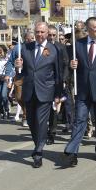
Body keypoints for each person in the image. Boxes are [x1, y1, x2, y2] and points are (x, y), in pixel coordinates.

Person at [62, 17, 96, 167]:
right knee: (79, 121)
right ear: (88, 28)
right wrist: (72, 65)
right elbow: (69, 65)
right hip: (83, 91)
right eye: (95, 27)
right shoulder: (77, 45)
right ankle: (72, 152)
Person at [14, 22, 62, 168]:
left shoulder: (54, 49)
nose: (39, 35)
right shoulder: (26, 48)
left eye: (42, 32)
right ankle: (38, 144)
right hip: (29, 91)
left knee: (41, 122)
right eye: (37, 32)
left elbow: (58, 74)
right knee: (31, 121)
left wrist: (58, 94)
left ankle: (38, 152)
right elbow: (21, 73)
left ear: (47, 33)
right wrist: (18, 67)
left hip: (46, 91)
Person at [46, 25, 69, 145]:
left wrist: (64, 80)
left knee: (53, 109)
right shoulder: (41, 47)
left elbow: (66, 64)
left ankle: (52, 133)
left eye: (54, 35)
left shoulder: (61, 47)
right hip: (43, 82)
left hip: (57, 82)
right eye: (49, 34)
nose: (51, 37)